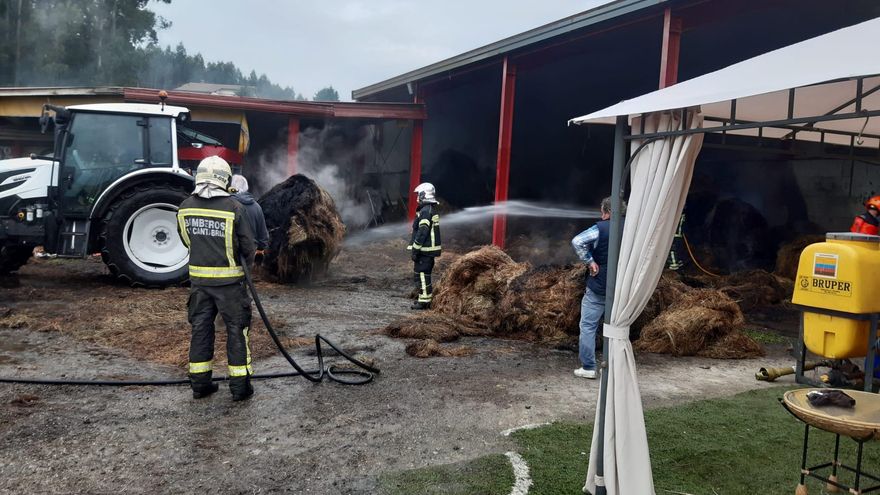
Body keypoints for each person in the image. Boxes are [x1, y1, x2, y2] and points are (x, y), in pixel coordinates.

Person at [177, 156, 256, 401]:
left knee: (200, 329)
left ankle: (200, 384)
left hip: (199, 284)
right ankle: (240, 388)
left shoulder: (185, 206)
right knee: (236, 329)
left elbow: (186, 240)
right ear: (225, 179)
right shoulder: (234, 208)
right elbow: (248, 247)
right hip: (231, 285)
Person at [570, 196, 624, 379]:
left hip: (600, 286)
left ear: (607, 212)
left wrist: (590, 262)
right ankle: (616, 367)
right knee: (619, 326)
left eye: (602, 211)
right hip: (624, 287)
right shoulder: (633, 229)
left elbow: (577, 241)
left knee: (588, 325)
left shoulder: (600, 228)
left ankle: (589, 367)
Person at [407, 182, 442, 310]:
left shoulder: (426, 211)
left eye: (418, 195)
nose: (417, 198)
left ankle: (424, 302)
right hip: (428, 251)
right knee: (423, 275)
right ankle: (423, 299)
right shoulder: (429, 209)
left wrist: (415, 248)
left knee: (421, 275)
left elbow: (422, 231)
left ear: (424, 195)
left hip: (425, 251)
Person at [230, 174, 270, 254]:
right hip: (249, 256)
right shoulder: (256, 207)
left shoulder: (226, 204)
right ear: (246, 188)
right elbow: (263, 238)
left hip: (229, 254)